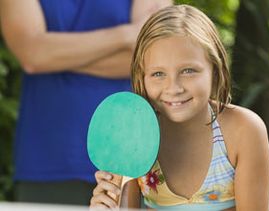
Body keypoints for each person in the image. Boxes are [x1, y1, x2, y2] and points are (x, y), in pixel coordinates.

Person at [90, 4, 269, 211]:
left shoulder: (244, 130)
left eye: (188, 71)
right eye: (158, 74)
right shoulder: (133, 132)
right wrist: (107, 206)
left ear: (215, 69)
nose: (173, 88)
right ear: (142, 77)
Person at [0, 0, 172, 205]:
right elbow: (32, 54)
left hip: (133, 155)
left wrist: (55, 57)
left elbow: (153, 62)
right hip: (49, 156)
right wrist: (126, 34)